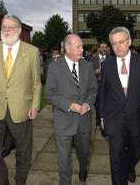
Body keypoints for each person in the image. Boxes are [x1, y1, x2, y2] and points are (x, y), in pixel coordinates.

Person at [0, 14, 42, 185]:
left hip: (21, 109)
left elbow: (36, 84)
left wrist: (35, 105)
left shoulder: (31, 52)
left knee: (23, 150)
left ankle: (20, 180)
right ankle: (1, 180)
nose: (6, 30)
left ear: (19, 30)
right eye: (3, 27)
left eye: (11, 27)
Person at [99, 27, 140, 185]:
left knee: (135, 152)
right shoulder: (107, 65)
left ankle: (127, 168)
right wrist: (101, 116)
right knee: (116, 159)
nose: (117, 46)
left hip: (138, 118)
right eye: (114, 44)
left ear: (129, 42)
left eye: (121, 42)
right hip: (114, 119)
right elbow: (103, 94)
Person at [45, 34, 98, 185]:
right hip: (63, 121)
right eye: (78, 47)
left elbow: (93, 90)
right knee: (64, 158)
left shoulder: (88, 66)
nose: (82, 50)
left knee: (84, 152)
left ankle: (83, 168)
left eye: (82, 46)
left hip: (84, 121)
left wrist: (87, 105)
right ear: (67, 48)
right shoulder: (54, 67)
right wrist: (68, 104)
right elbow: (50, 93)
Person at [90, 41, 109, 137]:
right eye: (102, 47)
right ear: (99, 49)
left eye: (105, 47)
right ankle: (98, 120)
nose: (104, 49)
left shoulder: (111, 59)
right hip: (96, 85)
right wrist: (95, 71)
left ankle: (103, 125)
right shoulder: (93, 59)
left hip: (107, 87)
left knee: (105, 105)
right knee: (97, 105)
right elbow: (88, 72)